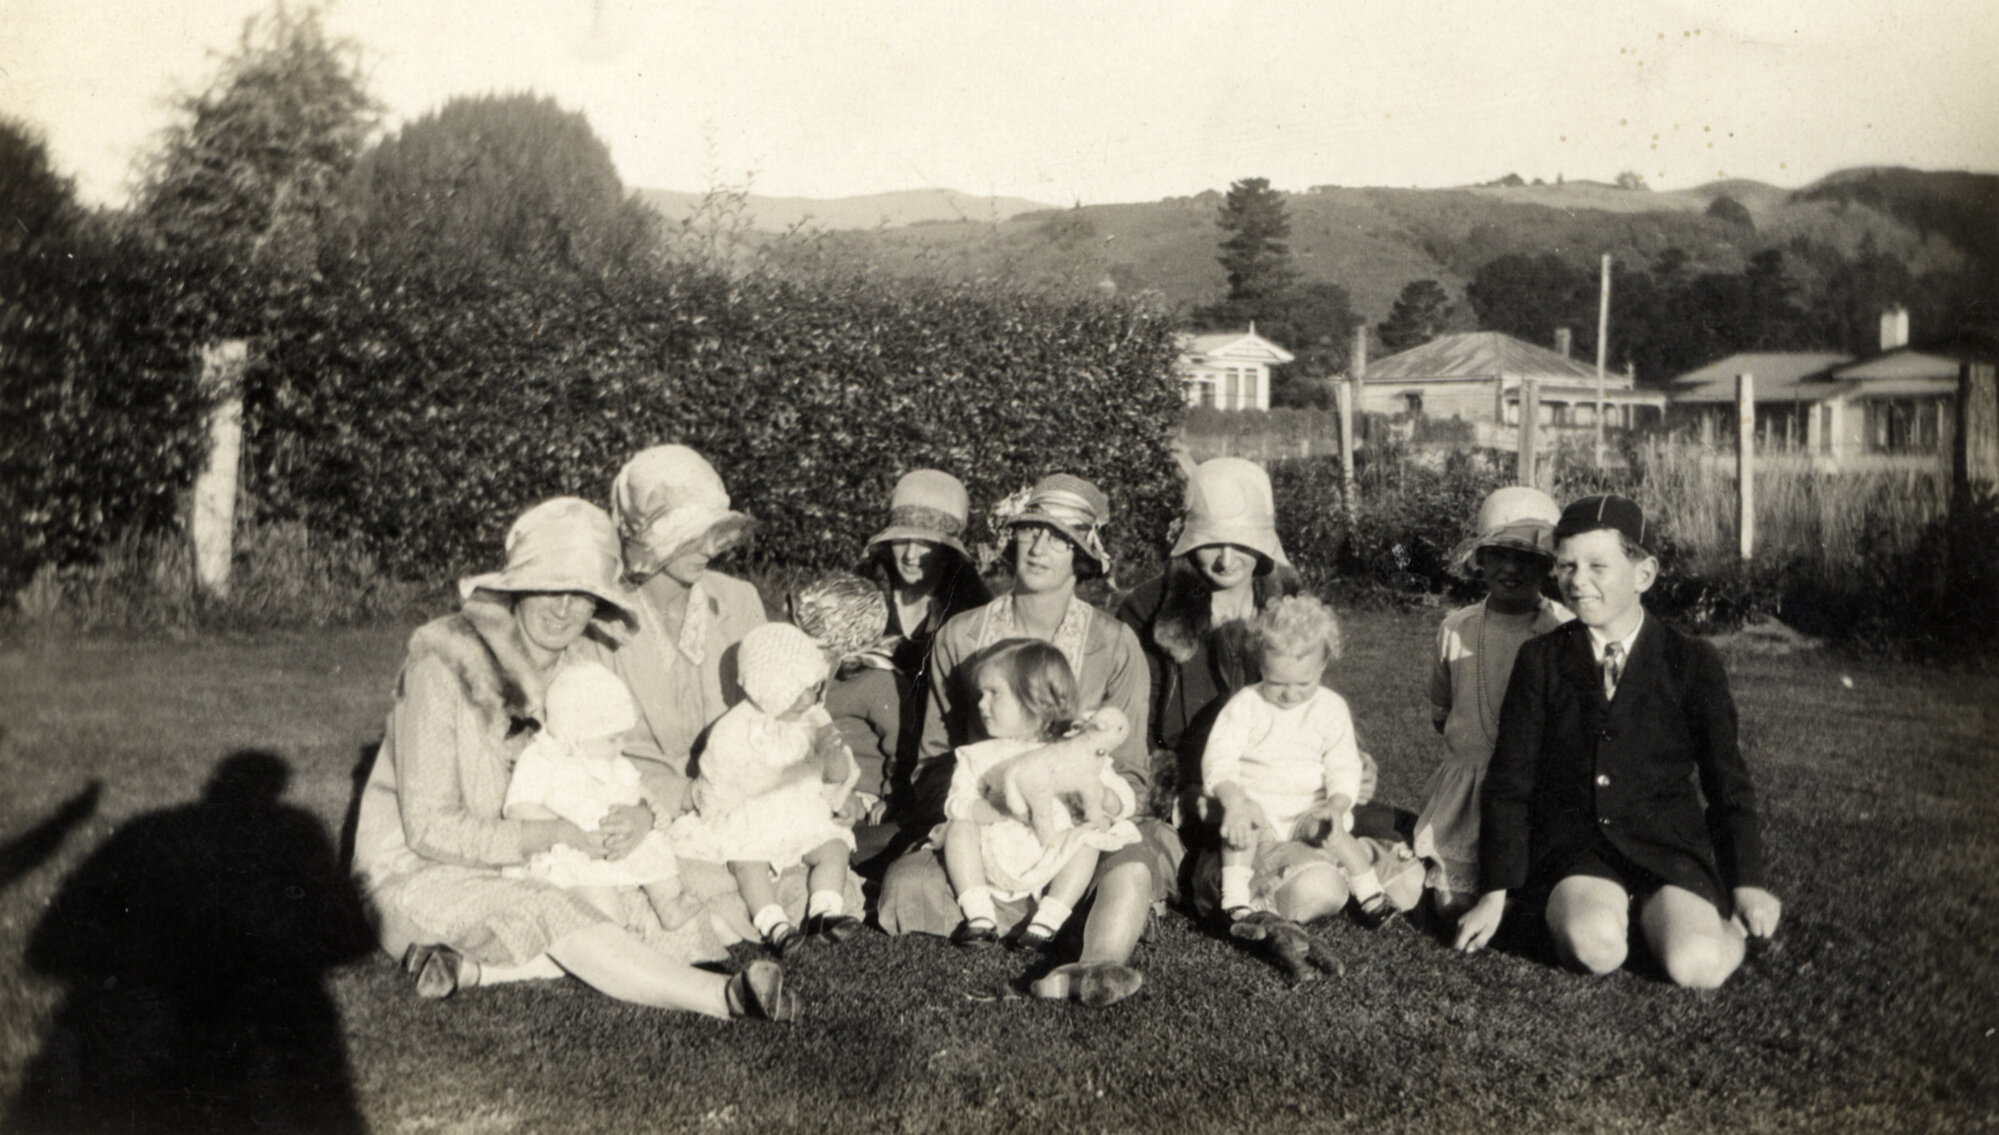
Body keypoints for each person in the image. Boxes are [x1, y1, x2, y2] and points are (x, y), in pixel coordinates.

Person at [351, 497, 795, 1020]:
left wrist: (640, 815)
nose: (563, 609)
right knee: (557, 910)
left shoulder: (580, 666)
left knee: (678, 904)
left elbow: (616, 768)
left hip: (547, 861)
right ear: (517, 586)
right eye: (549, 587)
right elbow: (428, 829)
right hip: (424, 871)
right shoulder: (443, 661)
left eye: (582, 594)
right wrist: (555, 835)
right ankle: (722, 998)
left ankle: (469, 970)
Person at [1454, 494, 1783, 989]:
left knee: (1695, 967)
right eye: (1566, 566)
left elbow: (1727, 782)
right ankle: (1606, 917)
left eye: (1597, 566)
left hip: (1665, 849)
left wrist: (1748, 883)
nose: (1577, 581)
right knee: (1594, 948)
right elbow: (1510, 782)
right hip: (1578, 850)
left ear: (1644, 574)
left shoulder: (1691, 663)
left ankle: (1705, 925)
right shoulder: (1541, 660)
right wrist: (1494, 892)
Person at [878, 473, 1163, 1008]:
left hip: (1075, 826)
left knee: (1129, 862)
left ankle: (1096, 963)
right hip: (984, 824)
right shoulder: (962, 635)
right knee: (907, 885)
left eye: (1059, 538)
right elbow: (935, 758)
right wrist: (984, 811)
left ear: (1082, 553)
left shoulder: (1114, 642)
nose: (1038, 547)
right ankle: (1009, 912)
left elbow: (1129, 771)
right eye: (1030, 530)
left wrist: (1090, 805)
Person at [1414, 487, 1573, 918]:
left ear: (1547, 566)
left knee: (1537, 898)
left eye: (1527, 558)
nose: (1510, 568)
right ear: (1479, 560)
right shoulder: (1457, 628)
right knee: (1452, 907)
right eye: (1499, 554)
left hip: (1534, 786)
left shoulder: (1561, 629)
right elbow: (1442, 710)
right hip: (1469, 784)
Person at [1201, 596, 1398, 928]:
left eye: (1303, 684)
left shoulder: (1329, 708)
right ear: (1260, 665)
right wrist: (1234, 801)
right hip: (1257, 809)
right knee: (1242, 824)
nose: (1291, 695)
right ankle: (1235, 901)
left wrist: (1336, 805)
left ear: (1322, 666)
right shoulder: (1246, 704)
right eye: (1277, 684)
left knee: (1330, 828)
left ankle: (1371, 894)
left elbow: (1343, 764)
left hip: (1306, 810)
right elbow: (1219, 758)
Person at [669, 622, 864, 954]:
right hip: (752, 818)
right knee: (748, 863)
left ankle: (824, 912)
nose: (810, 699)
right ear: (768, 688)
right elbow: (722, 782)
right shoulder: (735, 728)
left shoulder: (815, 718)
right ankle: (775, 925)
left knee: (833, 847)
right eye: (797, 690)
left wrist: (829, 758)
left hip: (801, 816)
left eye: (814, 688)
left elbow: (836, 774)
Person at [939, 639, 1140, 951]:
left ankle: (1047, 920)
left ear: (1038, 700)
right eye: (981, 694)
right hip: (993, 854)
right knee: (958, 829)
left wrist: (1108, 799)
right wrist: (987, 809)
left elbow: (1125, 800)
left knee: (1087, 841)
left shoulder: (1073, 751)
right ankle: (979, 917)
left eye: (994, 693)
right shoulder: (980, 756)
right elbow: (956, 802)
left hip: (1052, 854)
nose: (981, 704)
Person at [603, 445, 766, 814]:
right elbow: (596, 750)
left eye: (714, 531)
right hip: (638, 810)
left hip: (740, 809)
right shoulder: (604, 618)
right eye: (688, 534)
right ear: (646, 536)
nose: (708, 548)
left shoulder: (739, 601)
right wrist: (681, 799)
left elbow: (770, 718)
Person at [501, 660, 694, 931]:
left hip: (620, 839)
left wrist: (652, 806)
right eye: (613, 739)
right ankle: (614, 929)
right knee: (594, 888)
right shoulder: (543, 757)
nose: (622, 746)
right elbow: (517, 809)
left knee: (655, 850)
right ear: (576, 736)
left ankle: (669, 905)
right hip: (572, 847)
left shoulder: (612, 760)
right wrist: (570, 828)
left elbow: (635, 787)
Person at [789, 572, 904, 863]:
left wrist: (893, 798)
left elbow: (902, 745)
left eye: (819, 623)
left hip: (859, 790)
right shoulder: (810, 671)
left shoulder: (878, 679)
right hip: (813, 781)